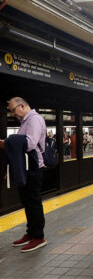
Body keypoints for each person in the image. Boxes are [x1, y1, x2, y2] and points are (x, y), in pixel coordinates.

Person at [0, 97, 48, 252]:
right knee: (27, 201)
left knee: (33, 202)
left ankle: (38, 237)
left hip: (33, 169)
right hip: (27, 168)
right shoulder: (25, 122)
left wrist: (8, 142)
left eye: (13, 110)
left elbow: (30, 143)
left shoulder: (34, 120)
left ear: (21, 106)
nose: (13, 114)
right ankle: (31, 232)